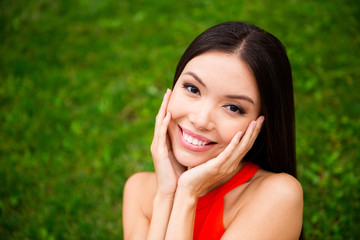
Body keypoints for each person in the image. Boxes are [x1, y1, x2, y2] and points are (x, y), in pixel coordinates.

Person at [123, 21, 304, 240]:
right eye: (192, 89)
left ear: (259, 125)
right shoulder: (138, 190)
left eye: (233, 108)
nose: (200, 120)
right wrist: (166, 195)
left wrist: (187, 195)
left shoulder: (277, 196)